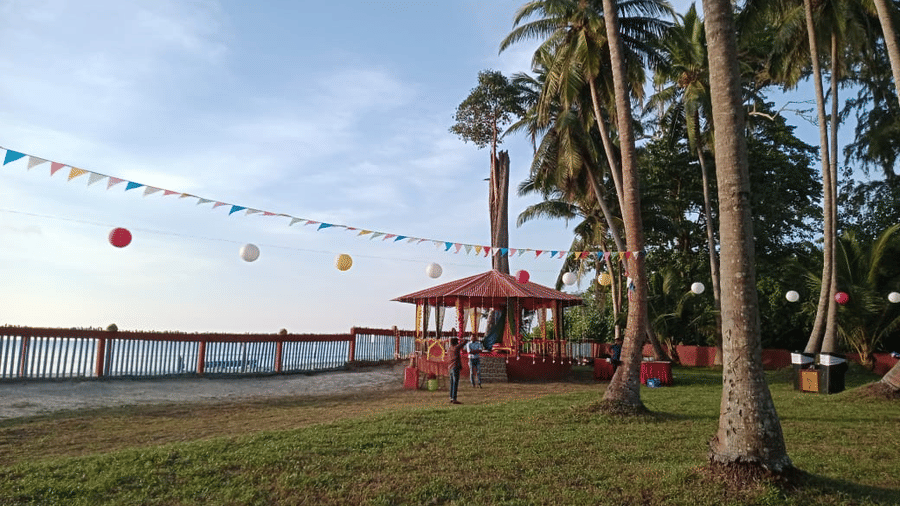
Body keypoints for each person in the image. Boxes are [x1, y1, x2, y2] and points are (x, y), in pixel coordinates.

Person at [447, 337, 468, 404]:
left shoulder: (449, 348)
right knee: (455, 383)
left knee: (452, 383)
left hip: (450, 367)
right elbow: (463, 343)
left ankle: (451, 397)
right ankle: (454, 399)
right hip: (455, 366)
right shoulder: (456, 348)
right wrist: (463, 340)